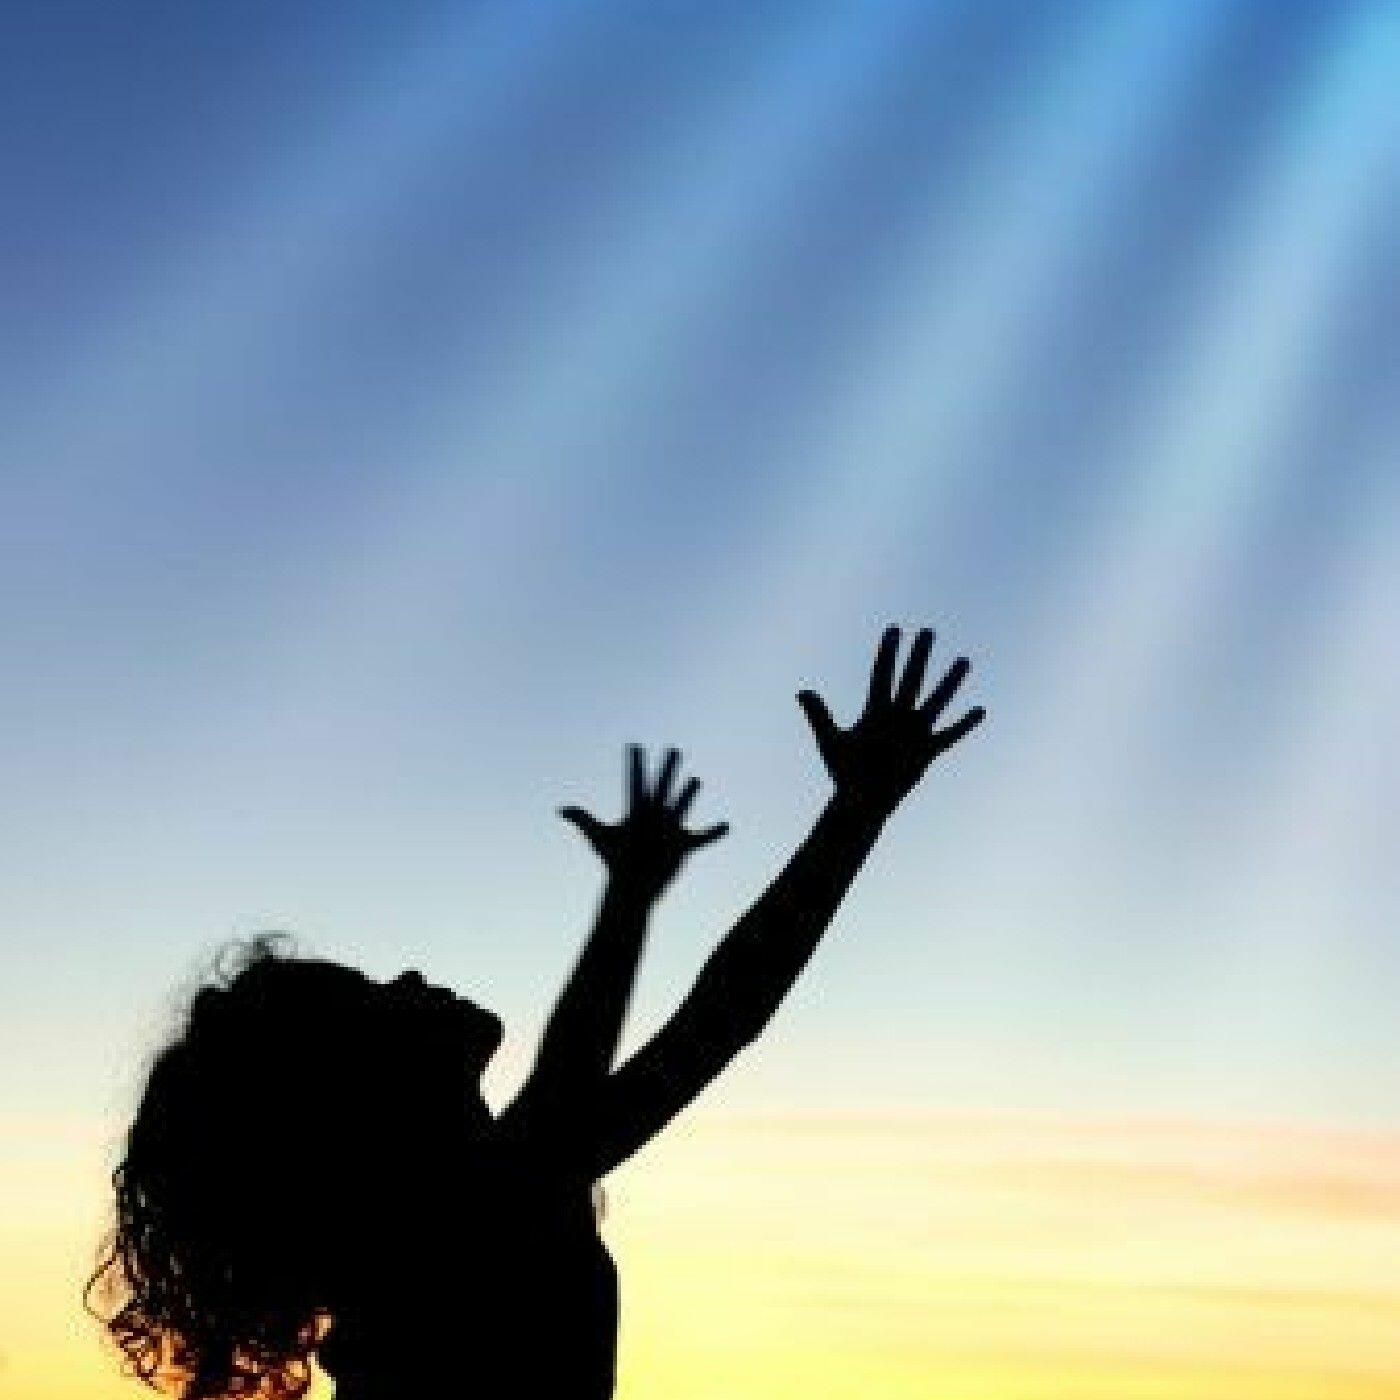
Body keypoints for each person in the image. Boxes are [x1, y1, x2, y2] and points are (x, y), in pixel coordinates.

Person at [87, 624, 985, 1399]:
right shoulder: (462, 1231)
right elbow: (684, 1034)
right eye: (373, 998)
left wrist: (655, 887)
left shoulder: (477, 1217)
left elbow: (697, 1031)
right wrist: (848, 813)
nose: (408, 977)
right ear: (355, 1099)